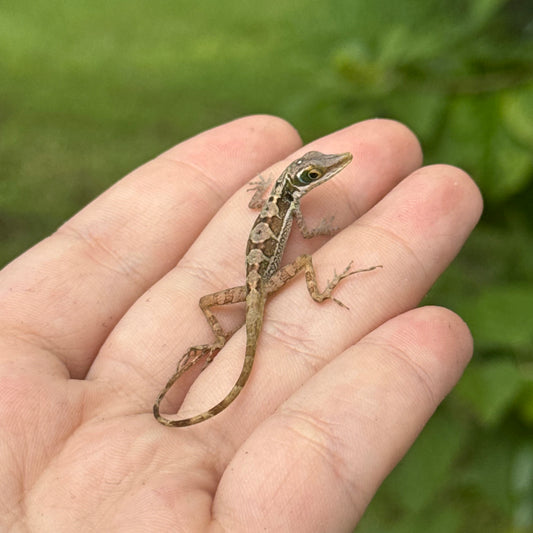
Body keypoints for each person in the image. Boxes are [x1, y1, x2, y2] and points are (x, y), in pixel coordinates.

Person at [0, 115, 482, 531]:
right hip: (264, 287)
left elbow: (270, 211)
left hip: (247, 288)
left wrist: (270, 200)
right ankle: (319, 294)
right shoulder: (290, 208)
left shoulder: (278, 201)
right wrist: (319, 239)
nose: (326, 173)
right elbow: (305, 234)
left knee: (209, 302)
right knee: (308, 266)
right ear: (298, 184)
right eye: (316, 173)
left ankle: (215, 339)